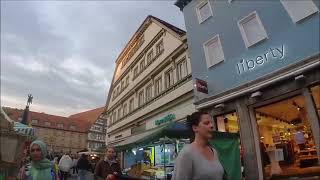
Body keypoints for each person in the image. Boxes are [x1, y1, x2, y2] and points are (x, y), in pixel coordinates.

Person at [172, 111, 225, 180]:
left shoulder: (214, 151)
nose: (212, 126)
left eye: (212, 123)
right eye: (206, 123)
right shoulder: (186, 153)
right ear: (195, 128)